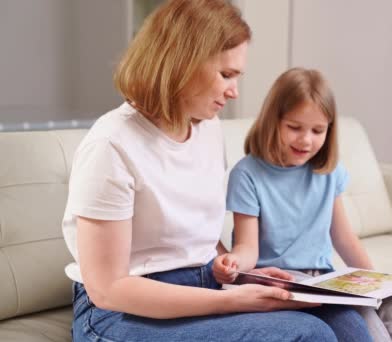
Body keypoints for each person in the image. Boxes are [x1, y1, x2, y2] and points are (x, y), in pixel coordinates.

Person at [61, 1, 373, 341]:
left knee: (346, 321)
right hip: (119, 313)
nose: (234, 91)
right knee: (308, 334)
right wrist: (230, 302)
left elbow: (196, 238)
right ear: (181, 63)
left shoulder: (208, 129)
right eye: (226, 74)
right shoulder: (111, 145)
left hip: (204, 282)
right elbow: (109, 289)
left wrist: (242, 276)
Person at [213, 67, 392, 342]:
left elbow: (344, 238)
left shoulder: (328, 171)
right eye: (294, 127)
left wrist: (375, 283)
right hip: (283, 279)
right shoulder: (248, 174)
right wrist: (233, 263)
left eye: (318, 130)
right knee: (365, 323)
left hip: (325, 278)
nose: (306, 140)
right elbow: (248, 248)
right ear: (272, 121)